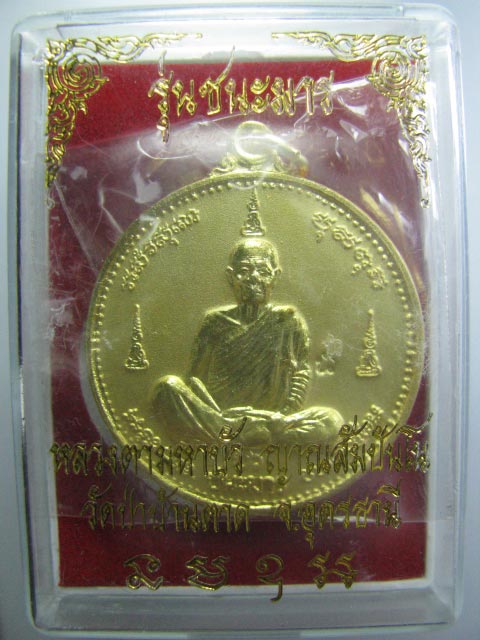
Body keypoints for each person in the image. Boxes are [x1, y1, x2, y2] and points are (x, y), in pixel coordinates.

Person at [154, 237, 343, 446]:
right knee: (167, 387)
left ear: (275, 276)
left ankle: (246, 436)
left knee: (331, 420)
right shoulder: (214, 322)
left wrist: (283, 416)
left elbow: (301, 373)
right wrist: (216, 412)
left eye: (263, 271)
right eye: (244, 270)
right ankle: (247, 434)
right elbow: (194, 380)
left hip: (271, 420)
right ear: (230, 276)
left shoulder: (288, 321)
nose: (254, 277)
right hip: (222, 416)